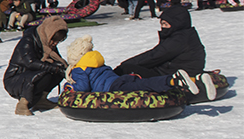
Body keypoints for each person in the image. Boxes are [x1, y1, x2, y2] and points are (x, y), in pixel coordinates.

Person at [64, 36, 215, 99]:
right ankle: (197, 79)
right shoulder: (97, 62)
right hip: (120, 80)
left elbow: (82, 88)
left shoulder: (80, 69)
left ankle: (173, 80)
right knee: (145, 85)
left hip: (114, 86)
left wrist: (70, 86)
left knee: (146, 85)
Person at [113, 5, 206, 79]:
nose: (163, 28)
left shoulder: (179, 39)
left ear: (177, 24)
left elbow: (155, 56)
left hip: (174, 75)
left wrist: (123, 66)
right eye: (162, 24)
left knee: (127, 68)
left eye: (165, 24)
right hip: (172, 70)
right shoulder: (185, 34)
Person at [3, 15, 68, 115]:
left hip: (32, 74)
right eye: (54, 40)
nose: (55, 44)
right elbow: (30, 62)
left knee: (57, 70)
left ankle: (41, 100)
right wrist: (54, 68)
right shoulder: (28, 40)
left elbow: (57, 61)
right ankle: (22, 104)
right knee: (47, 73)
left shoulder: (46, 42)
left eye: (57, 41)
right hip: (15, 78)